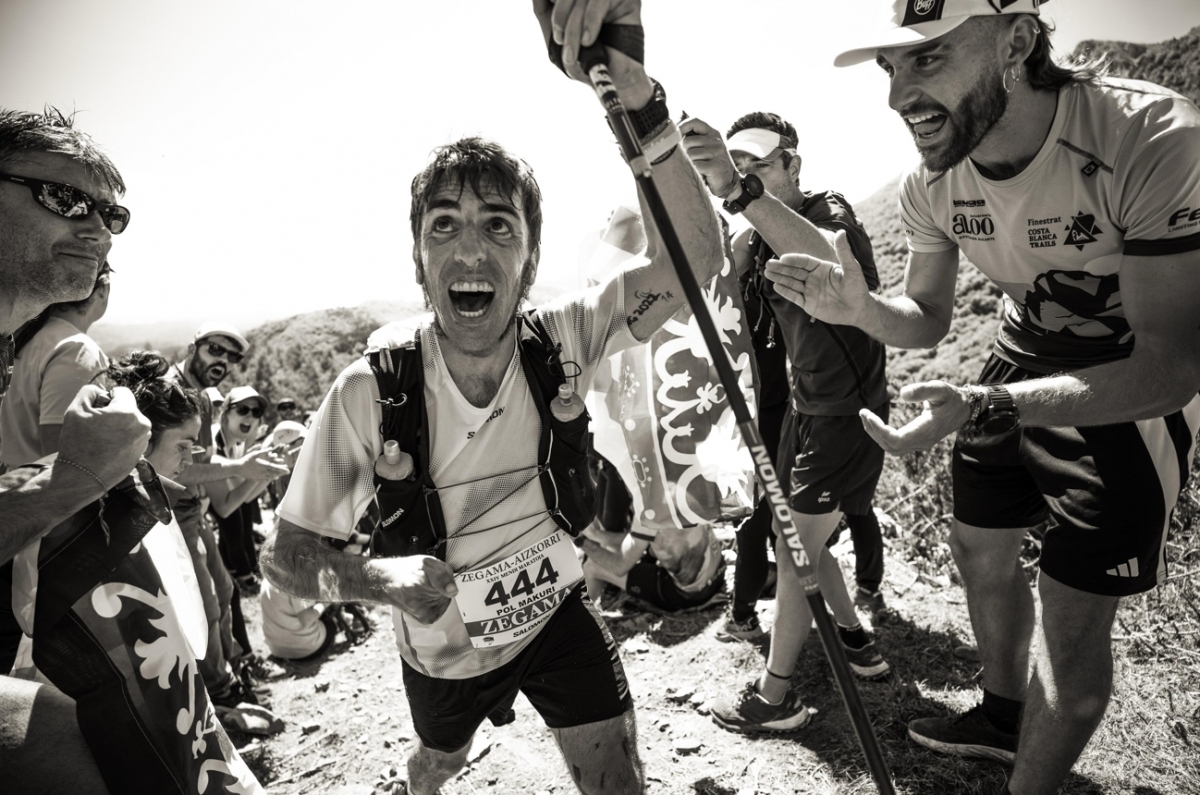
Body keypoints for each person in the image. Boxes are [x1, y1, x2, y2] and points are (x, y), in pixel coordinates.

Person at [260, 3, 723, 792]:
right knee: (440, 759)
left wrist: (637, 98)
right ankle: (421, 776)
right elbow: (286, 558)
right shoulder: (372, 390)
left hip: (559, 613)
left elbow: (693, 261)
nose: (471, 250)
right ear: (418, 258)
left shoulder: (562, 339)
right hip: (445, 653)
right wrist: (378, 582)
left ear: (531, 258)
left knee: (620, 777)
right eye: (444, 226)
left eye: (499, 227)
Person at [768, 3, 1200, 792]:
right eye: (890, 67)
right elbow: (928, 316)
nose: (898, 95)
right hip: (1006, 366)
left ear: (1018, 42)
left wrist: (987, 403)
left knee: (1070, 630)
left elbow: (1170, 369)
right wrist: (862, 309)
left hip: (1123, 392)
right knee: (977, 546)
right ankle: (1002, 716)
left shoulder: (1150, 134)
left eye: (928, 58)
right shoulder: (932, 182)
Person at [680, 110, 892, 735]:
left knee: (795, 545)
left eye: (760, 167)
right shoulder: (756, 232)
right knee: (797, 536)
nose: (748, 178)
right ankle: (856, 642)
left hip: (844, 413)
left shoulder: (829, 213)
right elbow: (713, 275)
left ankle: (774, 697)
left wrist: (740, 193)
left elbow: (835, 266)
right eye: (737, 167)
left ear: (793, 164)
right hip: (805, 408)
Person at [0, 106, 146, 794]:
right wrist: (78, 474)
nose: (99, 231)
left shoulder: (15, 348)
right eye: (64, 198)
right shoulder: (73, 349)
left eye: (112, 214)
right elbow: (76, 473)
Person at [166, 324, 288, 706]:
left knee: (224, 592)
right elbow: (174, 469)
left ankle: (232, 673)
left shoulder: (203, 398)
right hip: (169, 511)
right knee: (205, 603)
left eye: (231, 356)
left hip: (192, 509)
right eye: (214, 350)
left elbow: (203, 464)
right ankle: (221, 693)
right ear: (192, 348)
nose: (222, 361)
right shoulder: (170, 391)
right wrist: (242, 468)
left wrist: (255, 468)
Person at [0, 261, 112, 470]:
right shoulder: (76, 350)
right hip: (43, 488)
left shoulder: (22, 338)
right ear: (103, 290)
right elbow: (62, 459)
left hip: (12, 482)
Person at [579, 519, 726, 615]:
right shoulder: (683, 489)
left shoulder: (648, 511)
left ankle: (584, 618)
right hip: (718, 575)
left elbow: (619, 567)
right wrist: (597, 535)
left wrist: (581, 541)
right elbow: (643, 541)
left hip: (689, 596)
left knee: (592, 566)